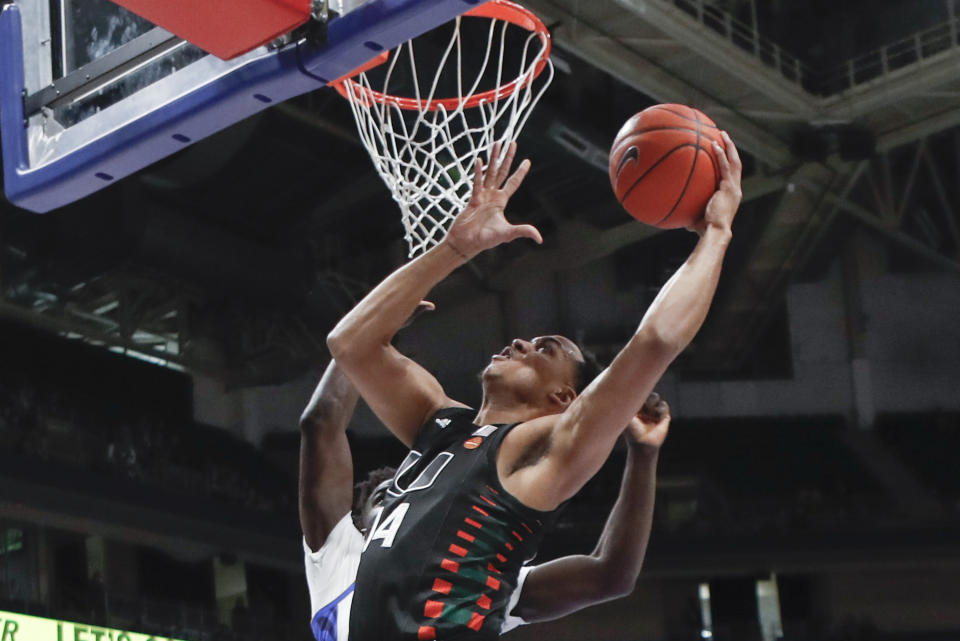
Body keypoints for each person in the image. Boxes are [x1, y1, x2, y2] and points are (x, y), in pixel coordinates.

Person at [327, 135, 742, 640]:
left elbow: (655, 341)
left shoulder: (544, 448)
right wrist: (456, 248)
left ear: (563, 400)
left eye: (546, 349)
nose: (522, 340)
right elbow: (349, 345)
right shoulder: (440, 425)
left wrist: (717, 231)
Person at [300, 356, 670, 641]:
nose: (403, 499)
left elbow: (610, 576)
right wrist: (370, 334)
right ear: (361, 516)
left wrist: (643, 455)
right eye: (386, 497)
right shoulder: (337, 554)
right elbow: (321, 422)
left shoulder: (465, 570)